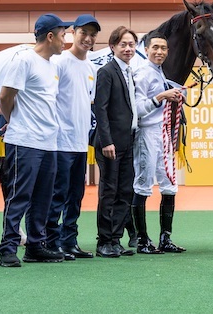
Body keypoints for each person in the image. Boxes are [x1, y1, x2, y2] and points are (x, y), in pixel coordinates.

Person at [0, 13, 68, 267]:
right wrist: (14, 120)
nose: (65, 40)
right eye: (63, 35)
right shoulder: (24, 60)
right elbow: (5, 97)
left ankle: (35, 247)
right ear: (50, 36)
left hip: (49, 142)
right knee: (19, 196)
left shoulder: (52, 65)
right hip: (25, 140)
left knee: (43, 198)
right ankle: (8, 247)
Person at [47, 13, 100, 261]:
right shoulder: (59, 62)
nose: (88, 39)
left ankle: (70, 241)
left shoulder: (91, 68)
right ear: (73, 33)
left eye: (92, 35)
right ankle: (52, 241)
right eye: (83, 33)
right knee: (57, 195)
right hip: (59, 141)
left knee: (76, 196)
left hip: (81, 142)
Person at [129, 33, 187, 254]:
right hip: (147, 133)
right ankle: (143, 240)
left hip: (163, 133)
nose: (160, 52)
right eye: (155, 47)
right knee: (143, 185)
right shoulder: (142, 73)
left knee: (169, 185)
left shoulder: (160, 73)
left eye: (163, 48)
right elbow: (138, 109)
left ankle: (165, 238)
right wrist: (162, 97)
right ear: (146, 49)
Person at [92, 26, 140, 259]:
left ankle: (116, 238)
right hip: (110, 144)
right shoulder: (106, 71)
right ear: (112, 47)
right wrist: (106, 141)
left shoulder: (129, 72)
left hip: (128, 141)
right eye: (123, 44)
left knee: (125, 191)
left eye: (131, 44)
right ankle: (104, 241)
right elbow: (99, 109)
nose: (128, 48)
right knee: (109, 192)